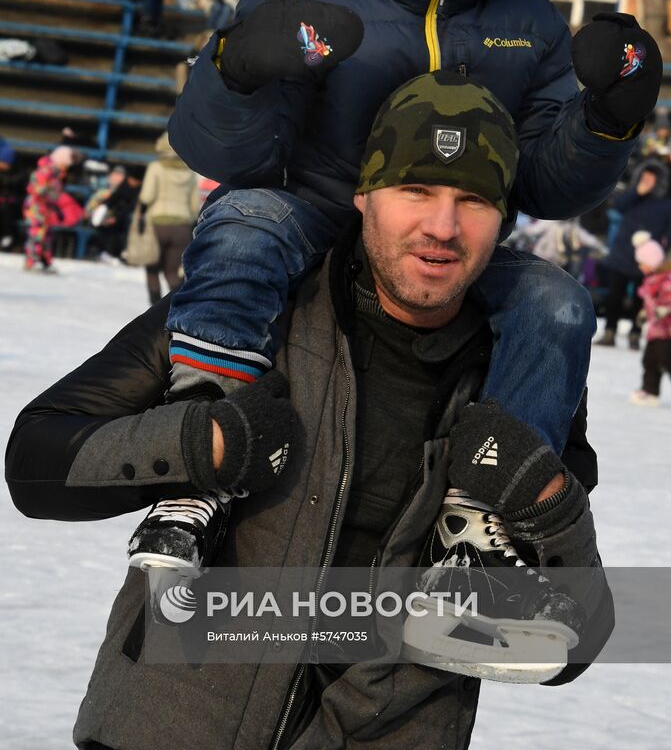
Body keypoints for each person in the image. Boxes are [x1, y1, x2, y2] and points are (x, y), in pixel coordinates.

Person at [155, 0, 662, 570]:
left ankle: (485, 512)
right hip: (314, 217)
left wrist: (608, 119)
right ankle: (206, 444)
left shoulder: (525, 21)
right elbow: (228, 155)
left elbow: (543, 183)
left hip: (448, 246)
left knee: (555, 300)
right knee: (246, 219)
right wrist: (237, 69)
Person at [6, 77, 613, 750]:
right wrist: (196, 442)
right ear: (362, 195)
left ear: (503, 219)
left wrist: (548, 504)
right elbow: (34, 462)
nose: (441, 226)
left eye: (471, 200)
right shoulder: (246, 317)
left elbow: (570, 643)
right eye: (415, 190)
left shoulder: (520, 371)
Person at [597, 162, 671, 349]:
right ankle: (610, 331)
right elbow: (617, 205)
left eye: (651, 178)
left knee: (641, 300)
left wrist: (658, 254)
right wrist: (636, 192)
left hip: (647, 262)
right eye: (644, 177)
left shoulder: (666, 204)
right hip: (622, 254)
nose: (647, 181)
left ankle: (635, 333)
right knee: (614, 296)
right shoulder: (632, 197)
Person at [630, 236, 671, 407]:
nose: (640, 266)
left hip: (670, 328)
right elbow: (650, 301)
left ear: (652, 262)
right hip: (656, 327)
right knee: (649, 359)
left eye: (642, 263)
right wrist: (645, 312)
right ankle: (650, 391)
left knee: (665, 356)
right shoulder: (651, 279)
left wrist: (665, 309)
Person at [136, 133, 199, 303]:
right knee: (173, 272)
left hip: (157, 224)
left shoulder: (156, 167)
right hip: (182, 227)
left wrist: (140, 213)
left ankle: (153, 308)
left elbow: (147, 196)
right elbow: (195, 206)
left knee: (152, 269)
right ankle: (176, 307)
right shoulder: (190, 172)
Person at [22, 144, 78, 273]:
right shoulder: (45, 170)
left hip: (47, 208)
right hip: (36, 207)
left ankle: (44, 261)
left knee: (47, 235)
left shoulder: (57, 174)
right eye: (66, 163)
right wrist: (51, 194)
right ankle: (32, 261)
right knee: (36, 234)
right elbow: (35, 188)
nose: (67, 167)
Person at [0, 136, 25, 251]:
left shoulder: (18, 173)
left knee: (6, 209)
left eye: (3, 162)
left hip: (13, 204)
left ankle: (7, 237)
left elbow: (21, 191)